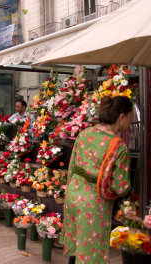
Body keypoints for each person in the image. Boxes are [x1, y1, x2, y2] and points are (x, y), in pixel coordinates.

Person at [63, 96, 132, 264]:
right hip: (94, 205)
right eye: (130, 118)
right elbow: (120, 186)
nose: (129, 124)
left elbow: (71, 167)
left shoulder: (85, 133)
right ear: (121, 117)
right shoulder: (118, 145)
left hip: (73, 196)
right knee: (91, 253)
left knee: (78, 249)